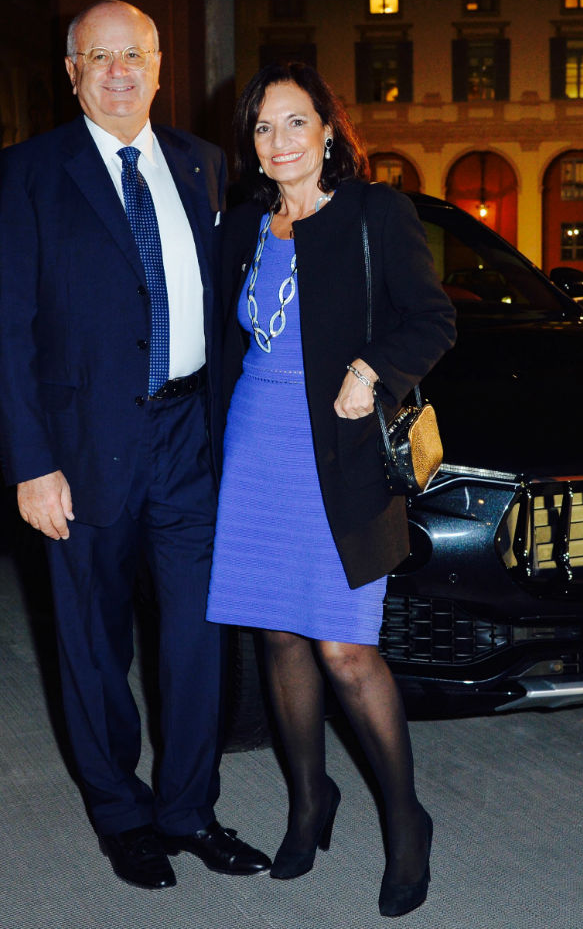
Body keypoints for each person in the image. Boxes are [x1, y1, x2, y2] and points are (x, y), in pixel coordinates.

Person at [0, 0, 270, 889]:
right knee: (92, 642)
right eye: (96, 57)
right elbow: (5, 331)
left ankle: (188, 808)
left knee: (196, 640)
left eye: (132, 53)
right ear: (71, 73)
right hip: (79, 447)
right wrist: (29, 463)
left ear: (158, 61)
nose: (117, 71)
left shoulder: (205, 164)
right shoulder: (29, 172)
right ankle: (121, 813)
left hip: (190, 438)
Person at [206, 62, 456, 917]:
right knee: (277, 639)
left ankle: (404, 821)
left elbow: (431, 319)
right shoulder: (243, 227)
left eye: (294, 123)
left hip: (341, 457)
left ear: (326, 130)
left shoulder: (374, 213)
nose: (278, 142)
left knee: (347, 650)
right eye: (262, 129)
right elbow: (228, 343)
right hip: (255, 449)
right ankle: (310, 803)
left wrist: (375, 369)